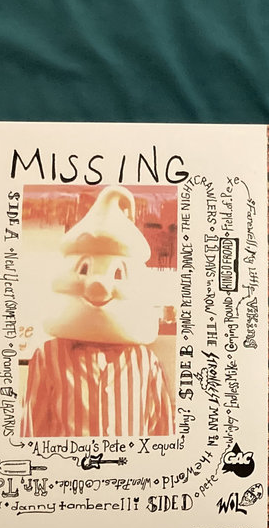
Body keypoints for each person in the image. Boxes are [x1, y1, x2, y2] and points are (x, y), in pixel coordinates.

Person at [21, 185, 174, 437]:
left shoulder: (146, 362)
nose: (99, 285)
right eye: (85, 270)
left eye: (117, 273)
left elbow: (163, 434)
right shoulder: (48, 358)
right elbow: (32, 432)